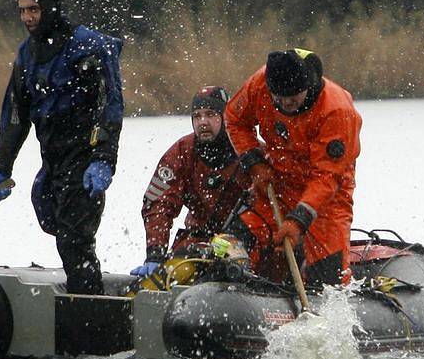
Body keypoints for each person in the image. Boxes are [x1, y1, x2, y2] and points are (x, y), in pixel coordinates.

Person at [0, 0, 123, 295]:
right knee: (51, 218)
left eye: (33, 10)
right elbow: (15, 116)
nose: (27, 18)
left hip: (85, 157)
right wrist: (0, 166)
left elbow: (110, 106)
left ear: (50, 7)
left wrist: (103, 159)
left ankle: (88, 305)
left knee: (74, 239)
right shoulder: (26, 55)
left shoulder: (88, 45)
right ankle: (83, 280)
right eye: (22, 11)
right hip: (52, 160)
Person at [224, 48, 362, 285]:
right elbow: (234, 119)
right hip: (276, 184)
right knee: (232, 246)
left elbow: (327, 177)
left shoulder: (337, 111)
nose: (286, 104)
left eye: (293, 98)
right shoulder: (259, 84)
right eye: (279, 98)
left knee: (329, 281)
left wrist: (298, 219)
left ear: (308, 87)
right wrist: (255, 163)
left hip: (326, 199)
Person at [131, 86, 251, 278]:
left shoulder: (249, 151)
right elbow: (158, 204)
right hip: (197, 243)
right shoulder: (181, 152)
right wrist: (155, 253)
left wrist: (239, 235)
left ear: (226, 117)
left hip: (244, 243)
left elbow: (269, 208)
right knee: (168, 279)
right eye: (197, 116)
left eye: (210, 114)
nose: (203, 122)